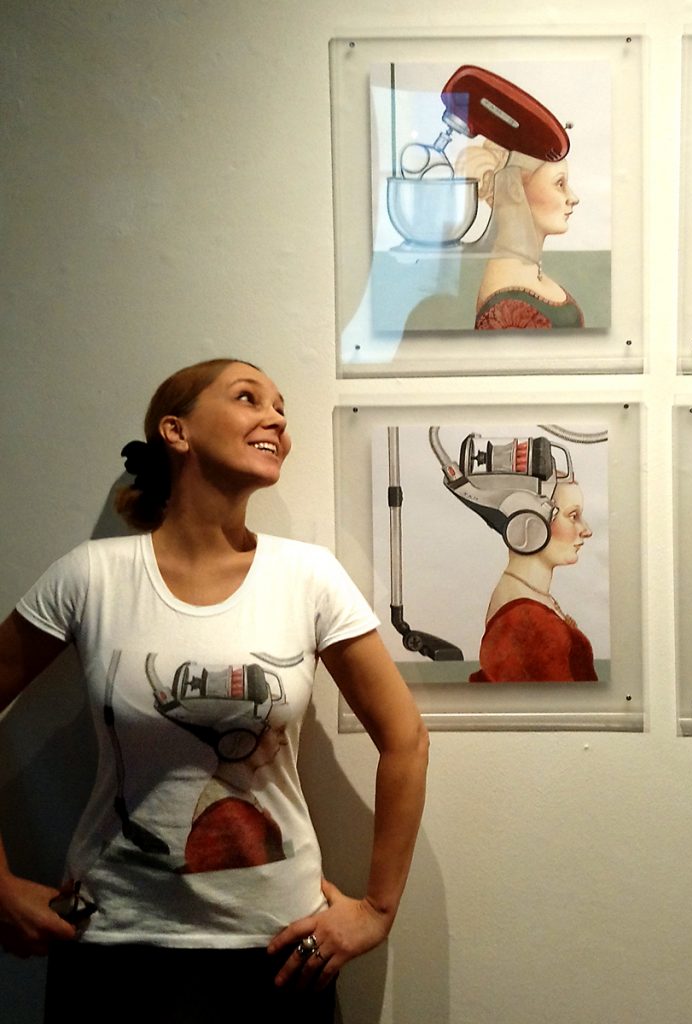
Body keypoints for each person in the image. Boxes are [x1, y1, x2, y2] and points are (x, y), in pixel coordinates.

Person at [0, 358, 428, 1022]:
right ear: (177, 430)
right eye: (248, 397)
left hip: (280, 950)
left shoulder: (308, 577)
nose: (276, 419)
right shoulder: (92, 578)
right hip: (113, 945)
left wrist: (376, 910)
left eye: (281, 408)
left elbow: (407, 740)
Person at [470, 478, 596, 682]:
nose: (587, 530)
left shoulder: (527, 599)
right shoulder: (528, 620)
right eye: (573, 516)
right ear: (531, 524)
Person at [456, 139, 583, 330]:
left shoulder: (525, 272)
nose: (573, 198)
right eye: (559, 184)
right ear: (515, 189)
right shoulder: (508, 306)